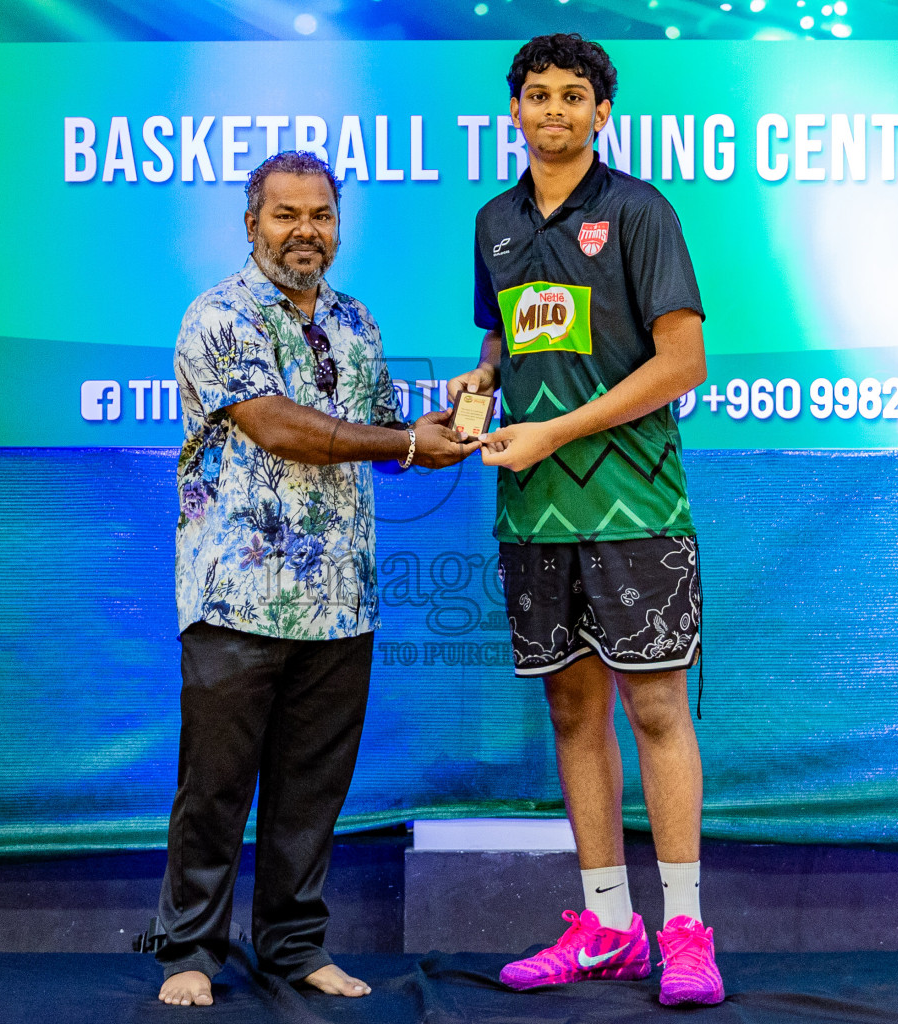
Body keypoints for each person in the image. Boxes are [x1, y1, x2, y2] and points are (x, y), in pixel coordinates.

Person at [156, 151, 478, 1007]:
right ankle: (189, 952)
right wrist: (402, 442)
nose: (307, 231)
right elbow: (282, 429)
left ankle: (294, 948)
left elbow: (377, 432)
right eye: (287, 215)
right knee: (215, 788)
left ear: (338, 224)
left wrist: (438, 425)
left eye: (322, 215)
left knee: (311, 793)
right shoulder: (218, 315)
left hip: (341, 602)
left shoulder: (356, 320)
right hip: (235, 597)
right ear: (251, 223)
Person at [448, 33, 722, 1006]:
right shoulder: (493, 221)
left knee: (654, 707)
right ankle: (609, 928)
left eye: (573, 96)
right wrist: (485, 377)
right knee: (572, 709)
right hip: (534, 511)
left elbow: (681, 363)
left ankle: (686, 928)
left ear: (603, 113)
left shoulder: (640, 210)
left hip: (636, 503)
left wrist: (558, 428)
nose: (554, 110)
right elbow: (508, 330)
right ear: (513, 111)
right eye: (537, 95)